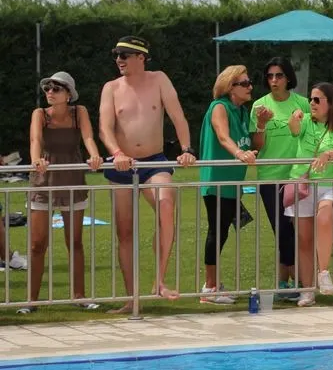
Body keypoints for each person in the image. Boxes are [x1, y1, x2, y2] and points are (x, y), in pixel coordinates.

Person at [99, 36, 197, 313]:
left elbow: (178, 116)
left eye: (124, 55)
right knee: (125, 232)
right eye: (116, 55)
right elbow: (105, 127)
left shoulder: (159, 79)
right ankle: (132, 299)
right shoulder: (111, 88)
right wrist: (117, 152)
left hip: (154, 161)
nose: (119, 60)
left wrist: (187, 149)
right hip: (122, 164)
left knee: (166, 205)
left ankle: (160, 281)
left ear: (141, 57)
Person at [23, 71, 102, 314]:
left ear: (69, 94)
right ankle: (31, 300)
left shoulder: (79, 112)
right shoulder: (40, 114)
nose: (50, 92)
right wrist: (36, 160)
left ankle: (79, 296)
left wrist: (95, 155)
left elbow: (88, 137)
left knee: (75, 242)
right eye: (47, 88)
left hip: (71, 179)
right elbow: (35, 140)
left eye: (56, 88)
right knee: (37, 244)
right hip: (44, 180)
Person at [285, 82, 333, 307]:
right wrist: (294, 118)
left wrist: (329, 154)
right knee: (304, 240)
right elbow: (294, 130)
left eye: (317, 100)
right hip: (302, 184)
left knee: (325, 217)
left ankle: (323, 271)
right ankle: (307, 290)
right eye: (311, 99)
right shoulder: (306, 120)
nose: (312, 103)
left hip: (329, 185)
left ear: (331, 103)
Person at [249, 57, 309, 300]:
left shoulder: (302, 103)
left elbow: (309, 136)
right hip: (270, 177)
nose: (274, 80)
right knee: (282, 229)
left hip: (296, 175)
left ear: (288, 78)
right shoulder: (259, 105)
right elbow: (257, 146)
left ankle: (285, 283)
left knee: (297, 230)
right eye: (270, 76)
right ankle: (297, 282)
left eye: (279, 75)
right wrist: (262, 124)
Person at [197, 65, 257, 305]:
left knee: (222, 231)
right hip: (216, 180)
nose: (250, 87)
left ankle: (213, 284)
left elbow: (251, 143)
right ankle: (209, 288)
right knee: (217, 230)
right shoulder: (219, 107)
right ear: (230, 87)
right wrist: (239, 154)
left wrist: (261, 124)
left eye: (249, 82)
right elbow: (223, 137)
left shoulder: (242, 111)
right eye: (244, 83)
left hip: (233, 181)